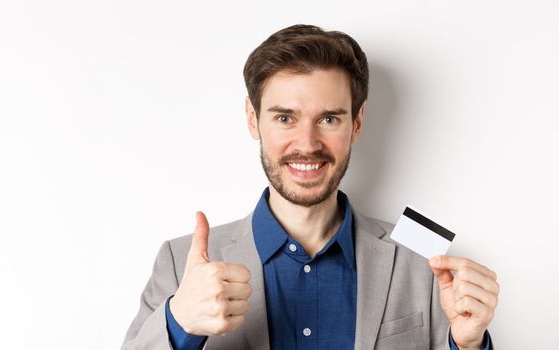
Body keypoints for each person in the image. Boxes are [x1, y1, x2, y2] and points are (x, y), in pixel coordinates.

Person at [121, 24, 499, 350]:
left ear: (357, 123)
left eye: (329, 119)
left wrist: (468, 345)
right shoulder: (180, 261)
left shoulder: (424, 257)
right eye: (285, 117)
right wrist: (179, 322)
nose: (307, 143)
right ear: (253, 120)